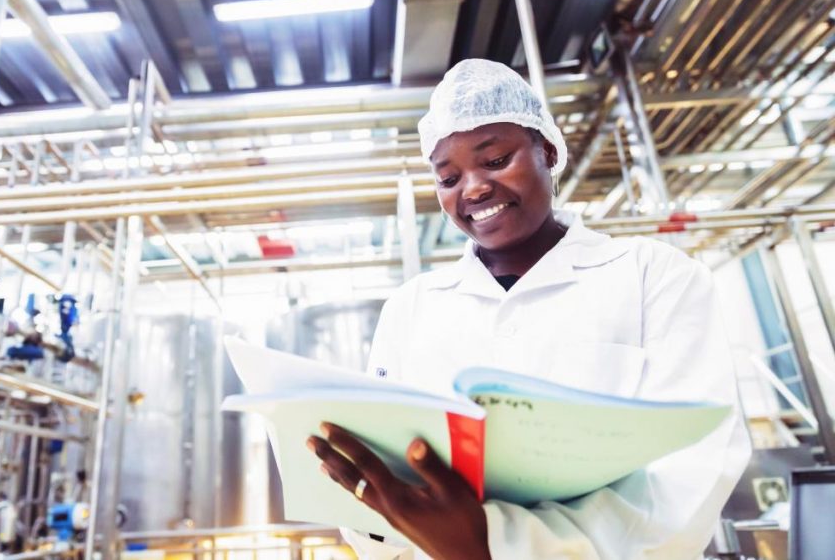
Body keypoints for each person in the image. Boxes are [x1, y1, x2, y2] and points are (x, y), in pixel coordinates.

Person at [306, 59, 752, 559]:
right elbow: (386, 481)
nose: (472, 188)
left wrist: (496, 545)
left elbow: (696, 465)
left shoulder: (655, 277)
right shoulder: (411, 308)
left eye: (495, 161)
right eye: (448, 177)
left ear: (548, 149)